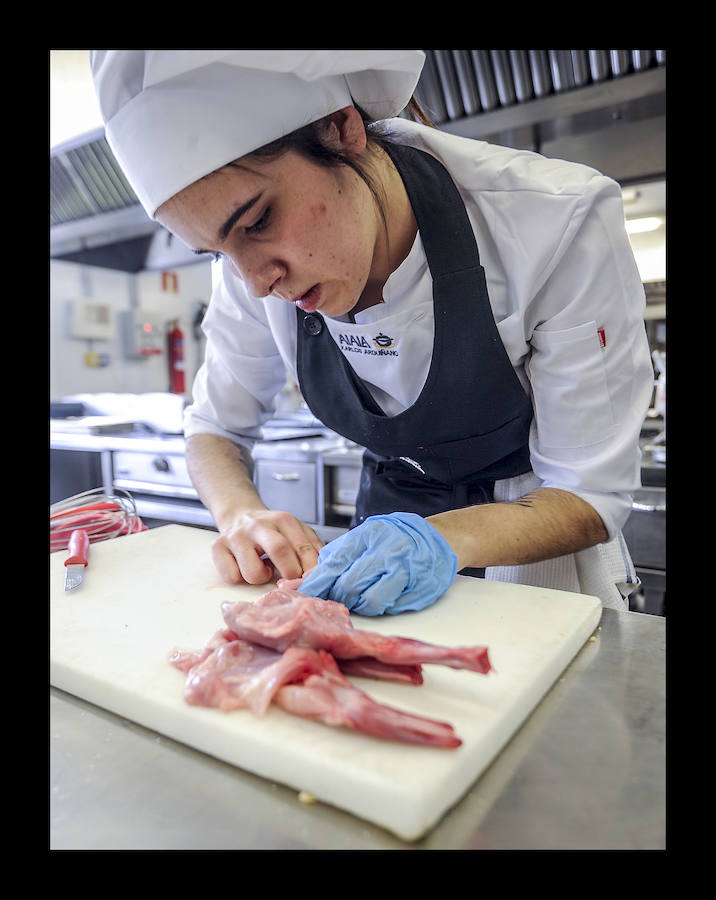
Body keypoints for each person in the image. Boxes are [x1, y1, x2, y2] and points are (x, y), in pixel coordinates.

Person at [90, 50, 654, 615]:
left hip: (540, 563)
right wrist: (241, 515)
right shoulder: (249, 273)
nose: (256, 283)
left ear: (342, 128)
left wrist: (438, 540)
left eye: (258, 221)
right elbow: (214, 427)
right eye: (217, 251)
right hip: (376, 550)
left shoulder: (555, 220)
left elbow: (587, 494)